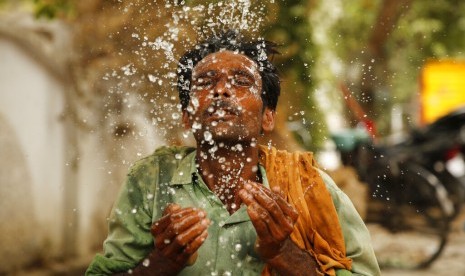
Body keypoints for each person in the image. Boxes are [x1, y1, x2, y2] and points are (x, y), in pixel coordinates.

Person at [86, 30, 380, 276]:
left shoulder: (310, 186)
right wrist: (163, 262)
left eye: (241, 81)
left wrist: (284, 252)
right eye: (204, 82)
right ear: (187, 116)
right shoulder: (150, 180)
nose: (221, 90)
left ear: (267, 116)